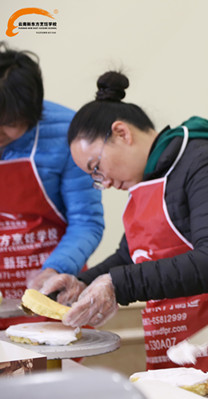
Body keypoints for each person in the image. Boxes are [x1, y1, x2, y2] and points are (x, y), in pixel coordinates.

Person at [40, 71, 208, 380]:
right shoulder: (149, 181)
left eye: (96, 168)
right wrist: (83, 282)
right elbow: (131, 256)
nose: (104, 182)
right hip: (172, 337)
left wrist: (117, 285)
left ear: (122, 133)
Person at [0, 43, 103, 328]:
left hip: (50, 289)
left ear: (32, 113)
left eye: (6, 123)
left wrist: (55, 270)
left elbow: (87, 223)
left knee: (37, 368)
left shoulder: (68, 133)